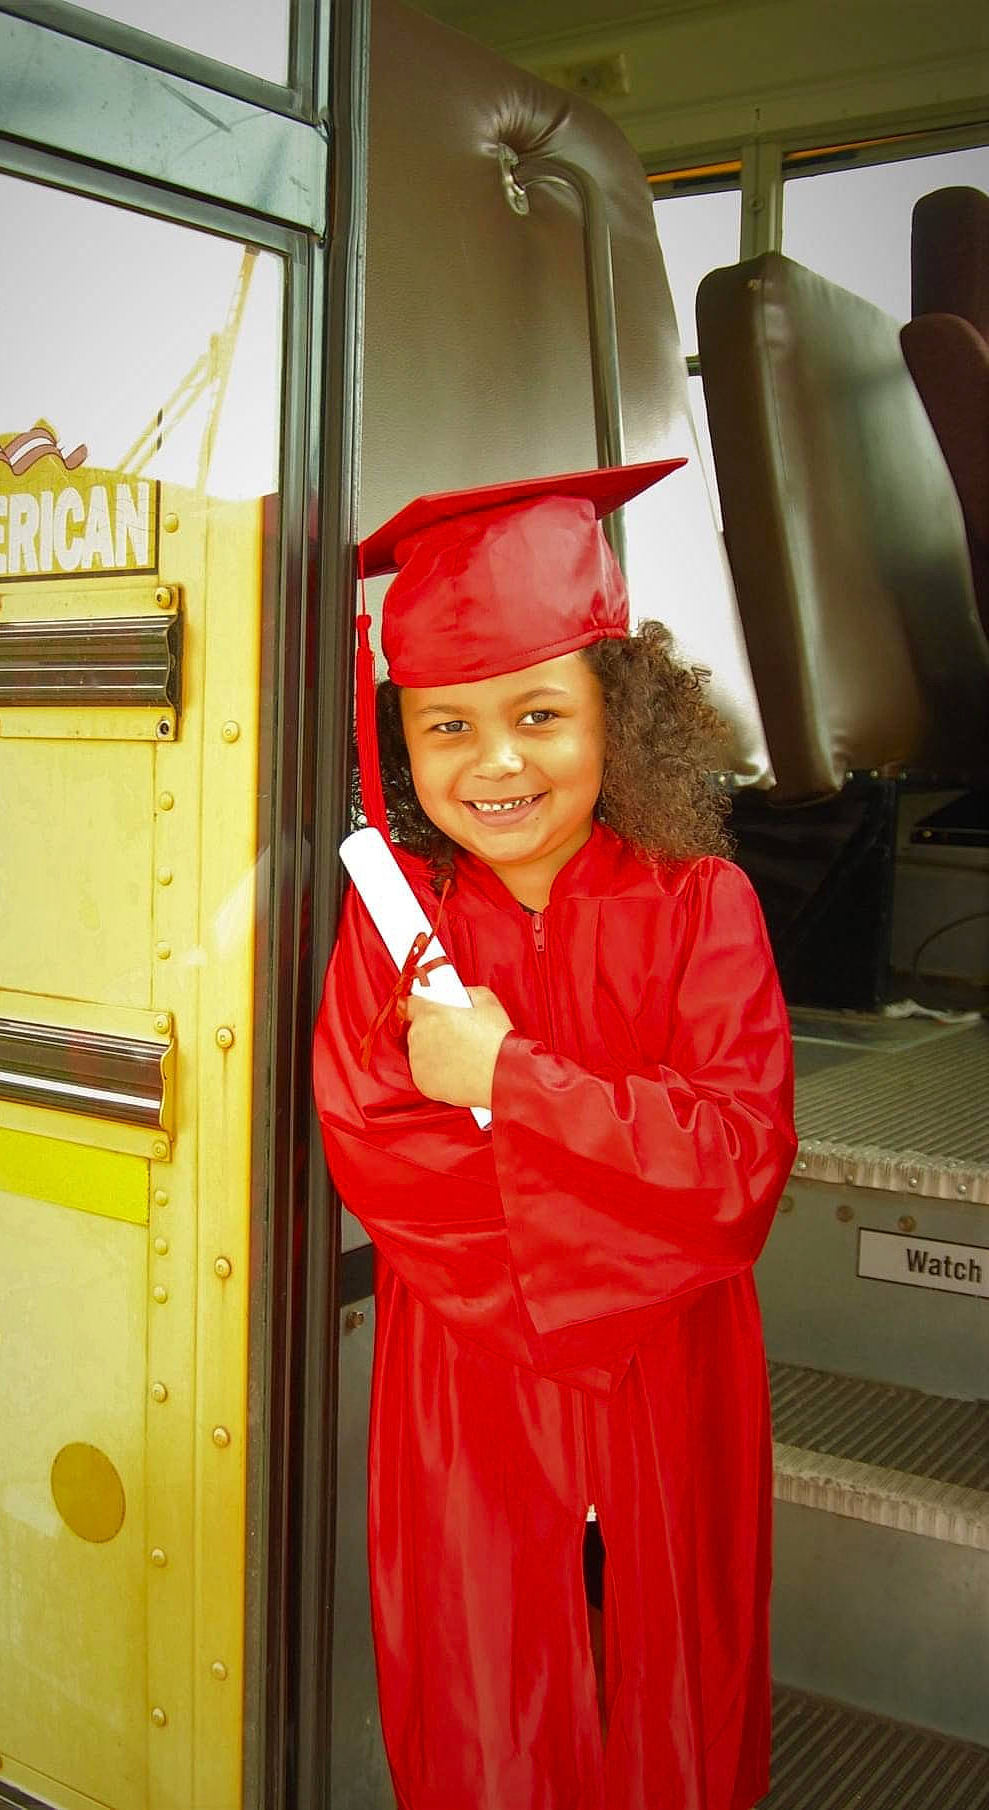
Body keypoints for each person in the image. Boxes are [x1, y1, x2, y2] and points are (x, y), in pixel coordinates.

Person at [313, 461, 797, 1810]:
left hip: (667, 1389)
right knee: (491, 1705)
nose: (497, 761)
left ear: (617, 715)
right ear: (403, 742)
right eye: (447, 726)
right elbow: (383, 1152)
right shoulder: (394, 930)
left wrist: (512, 1079)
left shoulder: (705, 907)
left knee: (659, 1697)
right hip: (474, 1398)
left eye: (540, 714)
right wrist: (604, 1243)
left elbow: (736, 1166)